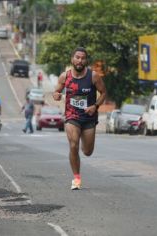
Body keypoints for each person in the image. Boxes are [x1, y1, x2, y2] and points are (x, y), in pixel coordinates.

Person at [53, 47, 107, 190]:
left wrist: (95, 106)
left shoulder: (93, 76)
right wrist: (56, 95)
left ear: (86, 60)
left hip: (89, 117)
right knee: (73, 145)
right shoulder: (65, 76)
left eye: (83, 58)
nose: (80, 60)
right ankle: (76, 178)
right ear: (72, 59)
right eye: (77, 57)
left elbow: (103, 93)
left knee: (88, 152)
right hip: (72, 116)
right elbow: (56, 91)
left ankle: (85, 142)